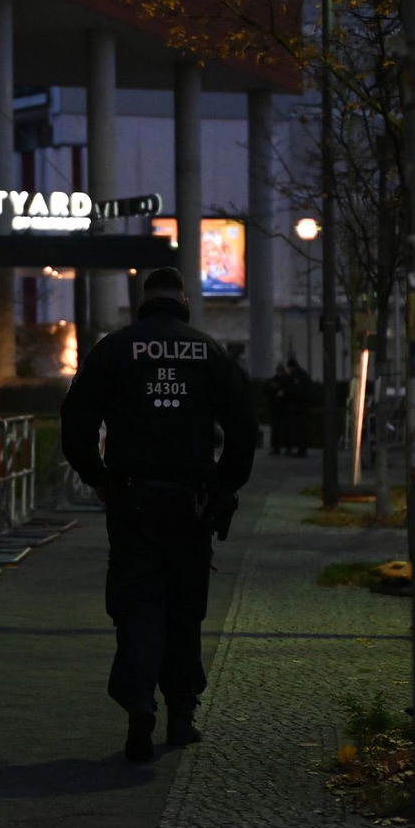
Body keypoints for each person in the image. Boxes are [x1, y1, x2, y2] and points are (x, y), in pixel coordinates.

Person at [60, 267, 257, 762]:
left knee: (135, 606)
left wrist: (98, 477)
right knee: (185, 608)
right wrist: (225, 485)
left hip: (132, 500)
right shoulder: (209, 350)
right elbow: (244, 427)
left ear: (143, 301)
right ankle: (181, 714)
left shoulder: (113, 349)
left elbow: (76, 423)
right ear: (184, 301)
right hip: (191, 504)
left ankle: (138, 706)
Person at [284, 357, 312, 456]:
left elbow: (295, 391)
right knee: (300, 428)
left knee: (298, 428)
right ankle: (301, 449)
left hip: (297, 406)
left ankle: (301, 449)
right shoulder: (303, 374)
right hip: (301, 406)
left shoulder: (296, 376)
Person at [264, 363, 292, 454]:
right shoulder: (284, 380)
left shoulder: (282, 380)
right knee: (280, 429)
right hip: (279, 408)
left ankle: (281, 448)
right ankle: (280, 448)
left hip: (281, 408)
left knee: (283, 429)